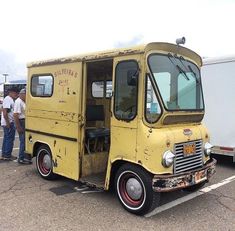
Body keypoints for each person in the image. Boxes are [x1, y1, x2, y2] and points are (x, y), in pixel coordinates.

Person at [0, 88, 18, 161]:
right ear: (10, 92)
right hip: (8, 122)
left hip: (8, 122)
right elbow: (5, 112)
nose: (16, 95)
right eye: (15, 93)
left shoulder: (9, 99)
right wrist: (8, 123)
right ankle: (7, 155)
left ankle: (5, 154)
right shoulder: (8, 99)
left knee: (7, 139)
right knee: (9, 139)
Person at [13, 88, 31, 164]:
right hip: (21, 122)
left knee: (25, 140)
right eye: (26, 95)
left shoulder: (24, 101)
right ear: (21, 94)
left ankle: (25, 157)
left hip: (25, 121)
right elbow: (15, 115)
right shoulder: (18, 102)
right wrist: (18, 127)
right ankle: (21, 158)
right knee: (22, 141)